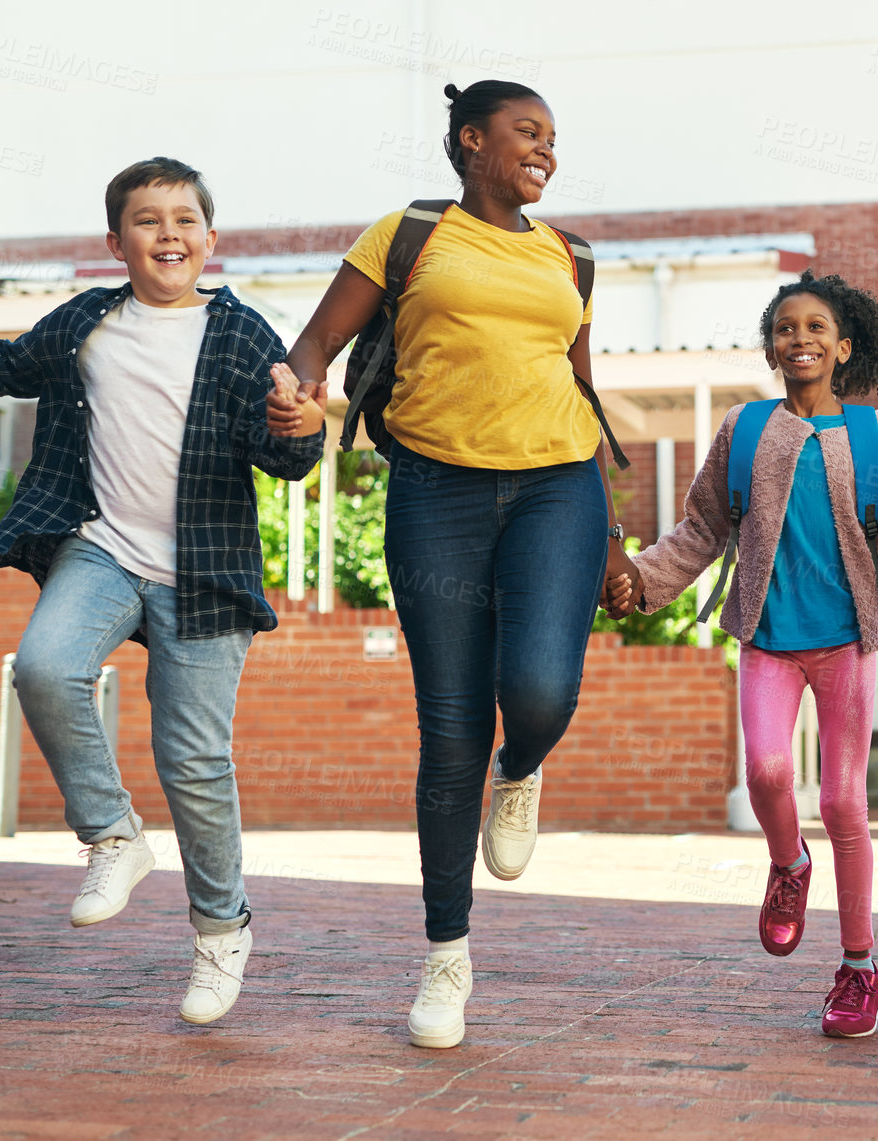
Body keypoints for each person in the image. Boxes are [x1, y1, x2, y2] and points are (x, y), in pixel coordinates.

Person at [0, 157, 325, 1024]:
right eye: (147, 220)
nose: (167, 233)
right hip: (99, 548)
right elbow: (4, 362)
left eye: (184, 219)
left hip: (203, 570)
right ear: (116, 241)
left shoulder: (244, 335)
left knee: (196, 764)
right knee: (45, 667)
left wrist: (302, 427)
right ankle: (112, 834)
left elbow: (281, 454)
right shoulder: (89, 321)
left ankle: (221, 933)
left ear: (211, 239)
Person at [267, 80, 637, 1050]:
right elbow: (317, 341)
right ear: (473, 140)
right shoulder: (408, 234)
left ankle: (524, 766)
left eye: (554, 137)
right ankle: (446, 955)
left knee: (542, 688)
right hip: (436, 492)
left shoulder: (571, 257)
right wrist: (292, 391)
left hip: (559, 487)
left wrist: (613, 532)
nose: (546, 150)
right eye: (527, 132)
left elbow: (583, 391)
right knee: (449, 727)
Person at [602, 270, 878, 1039]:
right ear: (771, 346)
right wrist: (641, 581)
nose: (801, 338)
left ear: (843, 346)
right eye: (786, 327)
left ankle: (859, 967)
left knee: (844, 801)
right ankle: (789, 863)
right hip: (767, 635)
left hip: (848, 641)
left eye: (817, 327)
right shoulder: (745, 430)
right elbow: (699, 529)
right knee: (765, 771)